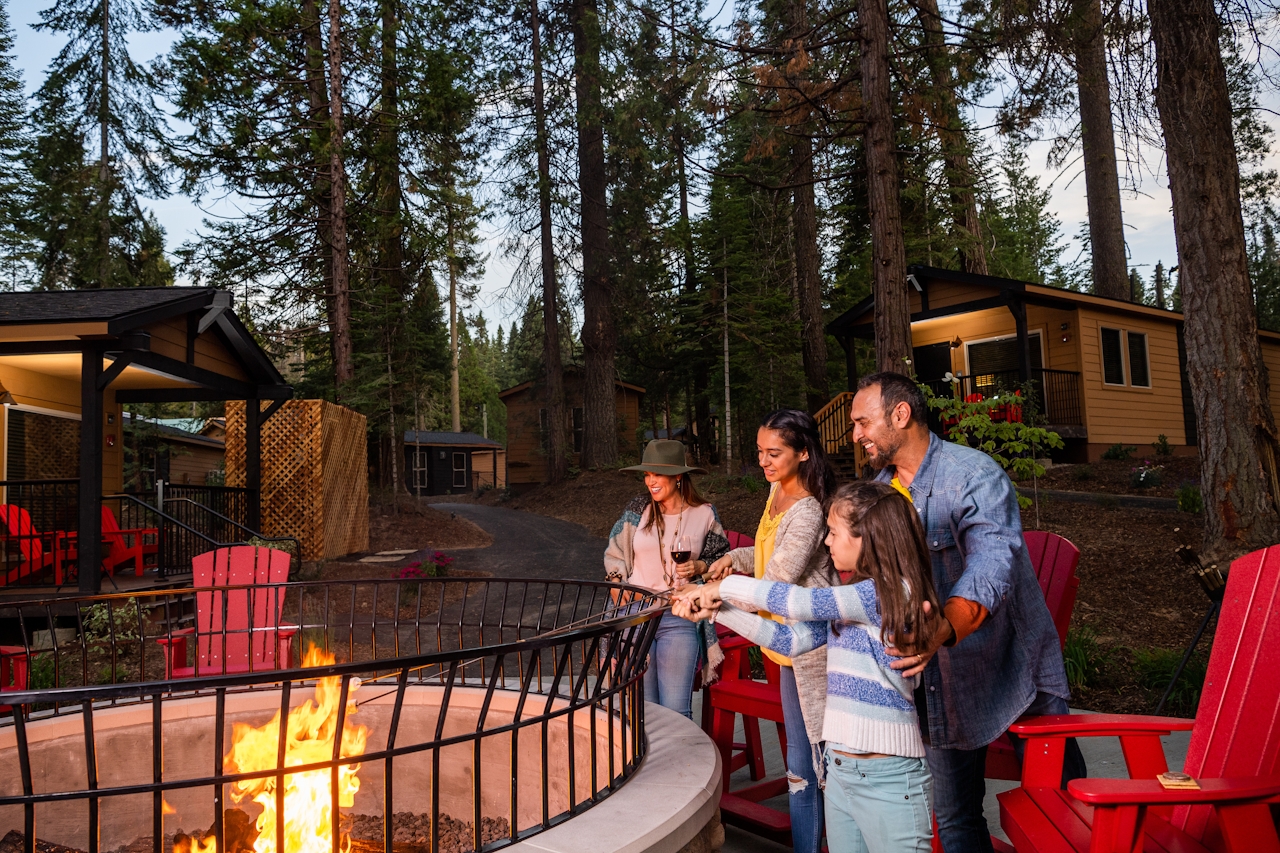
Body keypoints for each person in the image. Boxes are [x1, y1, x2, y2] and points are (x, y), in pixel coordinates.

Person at [849, 371, 1083, 853]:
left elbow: (992, 564)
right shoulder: (879, 493)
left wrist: (940, 627)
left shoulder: (972, 474)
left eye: (862, 422)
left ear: (900, 414)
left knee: (1065, 813)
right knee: (955, 819)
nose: (855, 435)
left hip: (1015, 673)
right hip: (941, 684)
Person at [673, 481, 943, 853]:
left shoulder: (886, 594)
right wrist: (721, 611)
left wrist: (724, 587)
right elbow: (790, 641)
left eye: (833, 533)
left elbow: (798, 602)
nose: (827, 542)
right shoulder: (852, 600)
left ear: (868, 537)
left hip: (889, 780)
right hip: (841, 771)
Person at [703, 409, 838, 853]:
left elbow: (775, 585)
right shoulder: (777, 492)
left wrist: (716, 592)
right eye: (759, 452)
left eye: (774, 453)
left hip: (810, 650)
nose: (763, 461)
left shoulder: (809, 509)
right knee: (801, 765)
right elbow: (766, 554)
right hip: (781, 650)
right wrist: (732, 561)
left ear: (802, 452)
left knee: (810, 765)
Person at [604, 439, 730, 719]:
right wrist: (615, 582)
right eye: (647, 475)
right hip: (637, 614)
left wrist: (698, 566)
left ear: (677, 476)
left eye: (657, 474)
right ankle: (649, 763)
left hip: (678, 613)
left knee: (675, 711)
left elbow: (721, 564)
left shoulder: (705, 514)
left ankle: (683, 764)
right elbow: (614, 551)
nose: (650, 481)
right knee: (642, 710)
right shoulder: (639, 509)